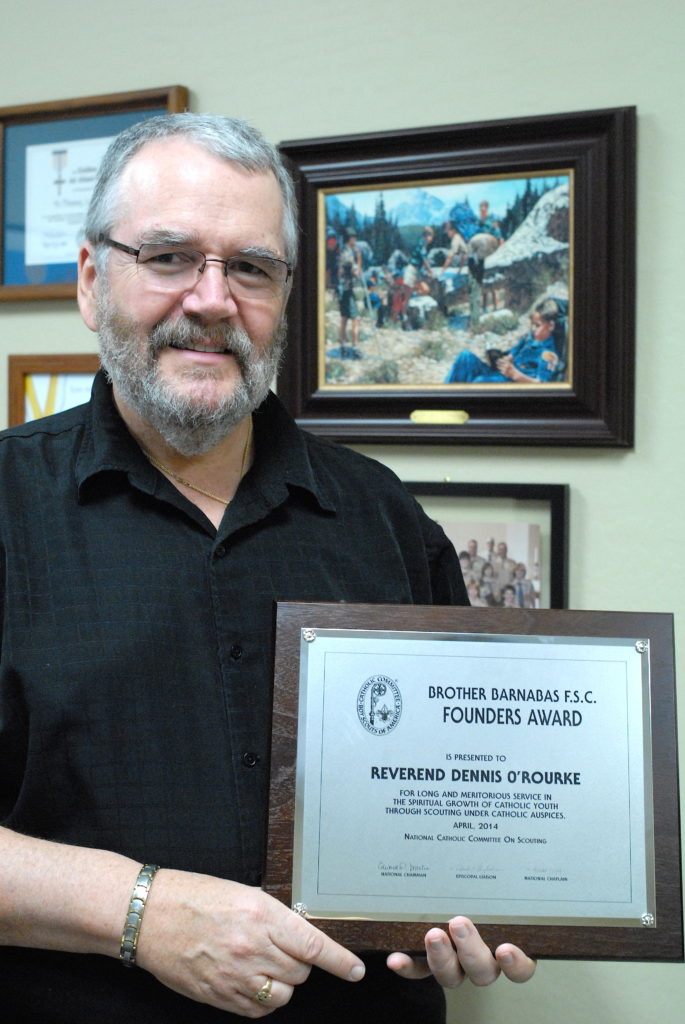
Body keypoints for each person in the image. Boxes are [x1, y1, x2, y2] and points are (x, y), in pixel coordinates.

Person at [0, 113, 535, 1023]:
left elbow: (468, 784)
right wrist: (141, 912)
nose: (211, 299)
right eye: (167, 258)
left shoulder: (384, 516)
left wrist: (489, 888)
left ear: (285, 294)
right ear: (92, 281)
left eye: (249, 267)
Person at [445, 300, 562, 383]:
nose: (532, 329)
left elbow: (541, 385)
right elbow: (511, 354)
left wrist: (514, 374)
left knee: (479, 381)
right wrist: (501, 358)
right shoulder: (527, 340)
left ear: (551, 326)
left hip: (514, 383)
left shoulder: (548, 354)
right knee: (465, 357)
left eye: (537, 325)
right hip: (501, 374)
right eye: (532, 324)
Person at [337, 228, 362, 349]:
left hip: (342, 289)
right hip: (347, 289)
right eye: (354, 237)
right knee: (355, 317)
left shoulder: (344, 251)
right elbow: (356, 272)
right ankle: (355, 346)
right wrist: (359, 257)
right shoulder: (348, 254)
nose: (356, 240)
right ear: (350, 238)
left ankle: (342, 343)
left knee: (344, 317)